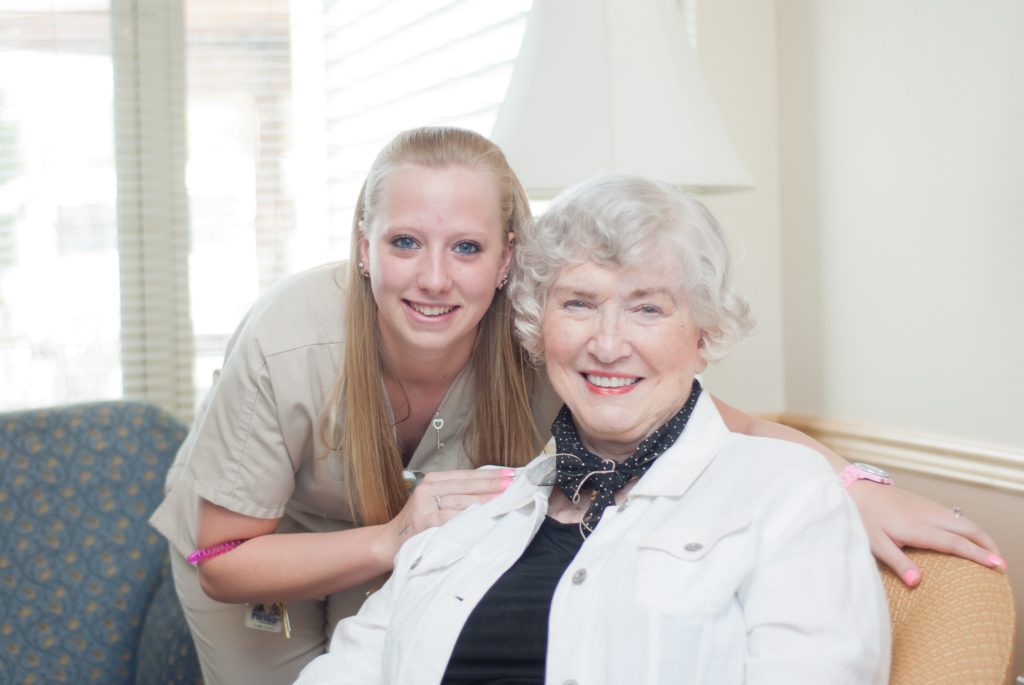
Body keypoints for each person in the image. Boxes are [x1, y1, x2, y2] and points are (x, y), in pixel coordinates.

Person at [149, 127, 999, 685]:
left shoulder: (769, 492)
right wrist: (394, 538)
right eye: (405, 241)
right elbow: (231, 562)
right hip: (261, 559)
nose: (436, 277)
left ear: (507, 265)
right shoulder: (302, 352)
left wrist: (850, 481)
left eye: (648, 307)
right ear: (364, 250)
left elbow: (728, 420)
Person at [294, 174, 891, 684]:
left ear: (704, 335)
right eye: (578, 303)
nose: (607, 344)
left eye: (648, 308)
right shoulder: (468, 514)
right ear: (536, 326)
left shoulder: (785, 495)